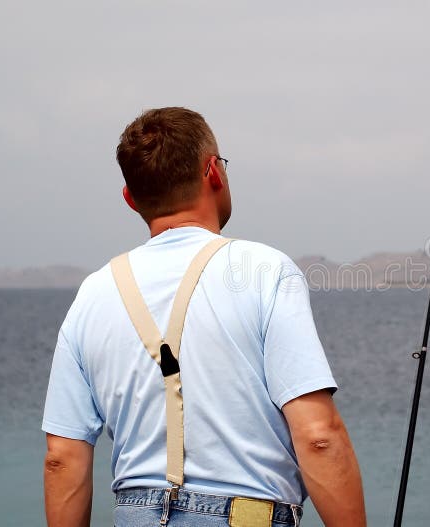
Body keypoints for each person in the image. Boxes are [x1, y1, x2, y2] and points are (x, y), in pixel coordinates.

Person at [42, 107, 366, 527]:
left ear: (130, 198)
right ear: (213, 172)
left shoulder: (92, 293)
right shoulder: (264, 269)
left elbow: (61, 459)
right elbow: (318, 436)